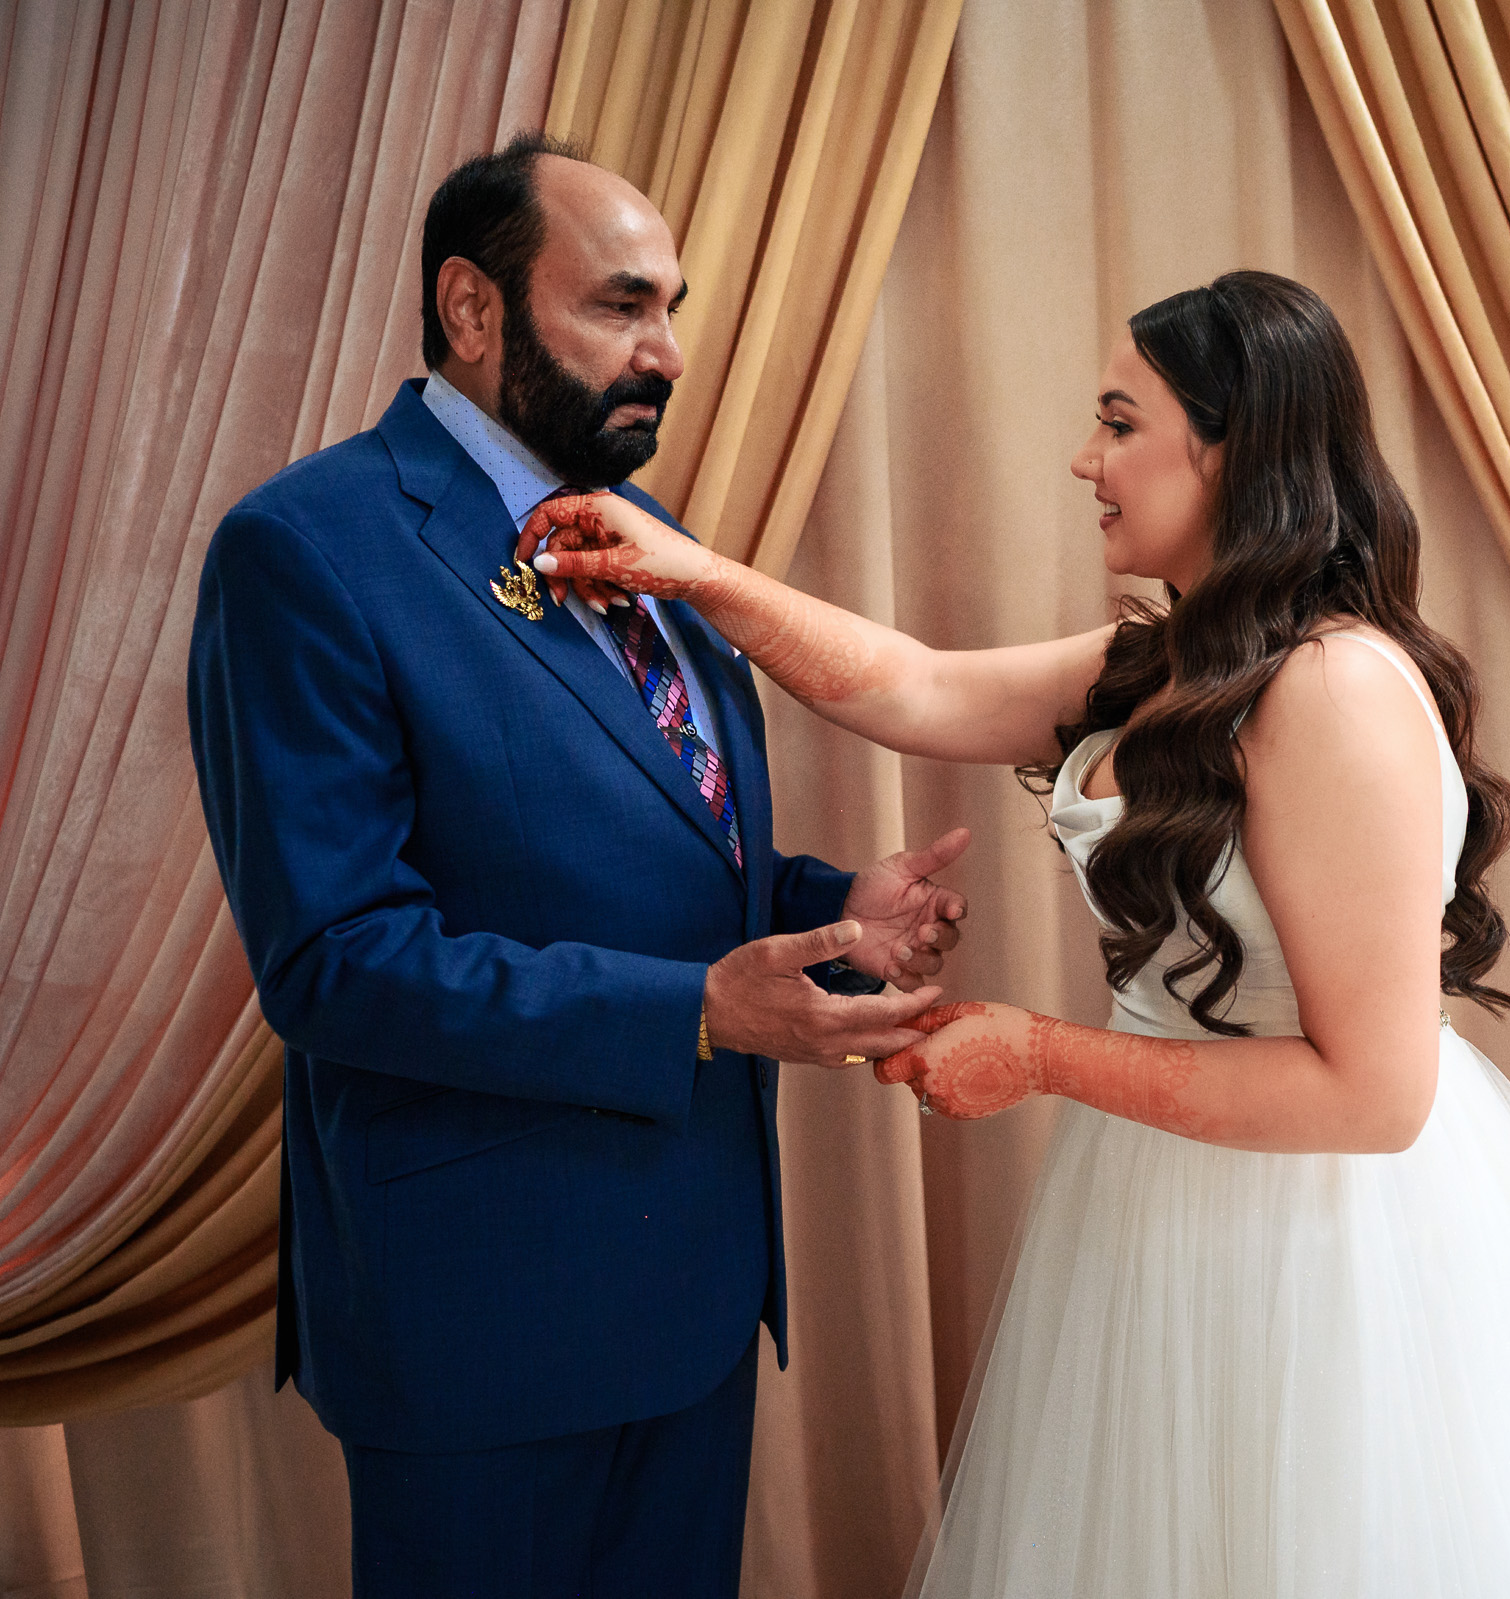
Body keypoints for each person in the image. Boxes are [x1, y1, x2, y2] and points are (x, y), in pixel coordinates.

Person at [526, 270, 1510, 1595]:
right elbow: (916, 685)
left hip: (1325, 1243)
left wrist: (1034, 1053)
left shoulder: (1336, 691)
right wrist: (692, 575)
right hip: (1155, 1198)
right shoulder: (1167, 654)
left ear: (1231, 446)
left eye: (1120, 422)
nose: (1088, 460)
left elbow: (1376, 1096)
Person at [186, 133, 970, 1598]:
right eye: (621, 306)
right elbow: (334, 961)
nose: (666, 351)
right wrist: (701, 1012)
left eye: (672, 308)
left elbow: (658, 844)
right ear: (472, 312)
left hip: (692, 1298)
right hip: (481, 1322)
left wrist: (826, 907)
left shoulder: (651, 540)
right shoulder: (304, 551)